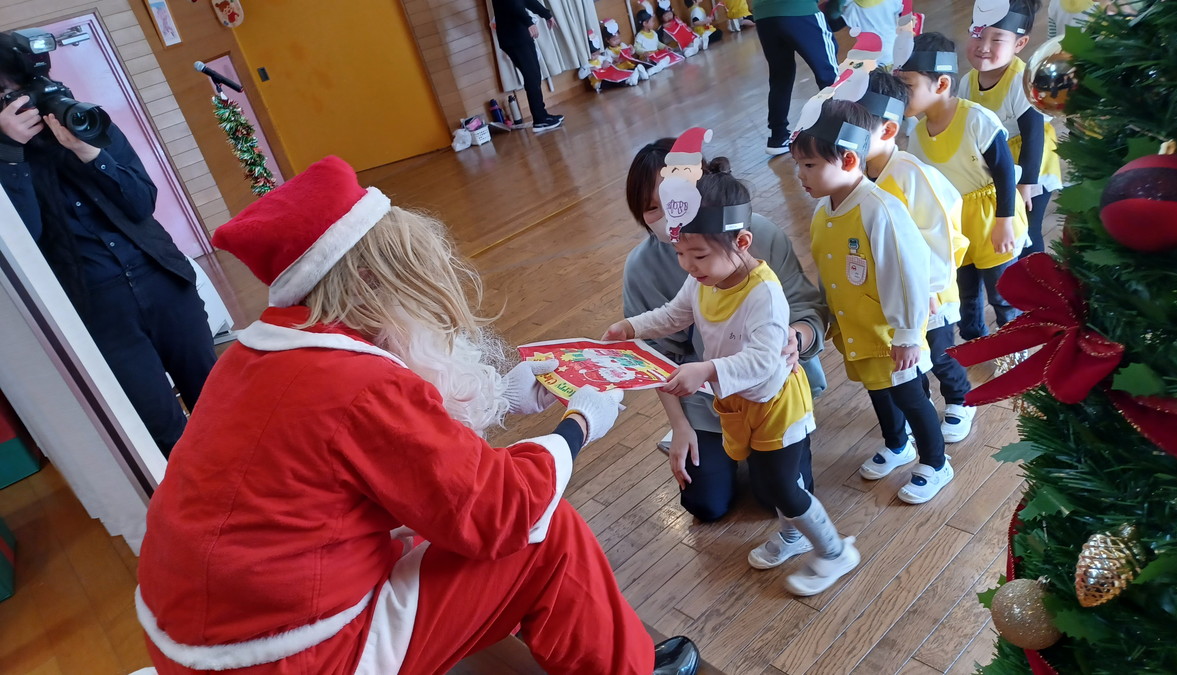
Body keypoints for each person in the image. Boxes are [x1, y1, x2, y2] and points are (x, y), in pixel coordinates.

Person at [135, 156, 702, 675]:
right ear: (370, 282)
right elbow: (500, 511)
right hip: (294, 656)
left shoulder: (254, 357)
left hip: (207, 640)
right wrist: (579, 424)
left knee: (457, 524)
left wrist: (502, 397)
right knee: (545, 533)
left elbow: (389, 461)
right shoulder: (357, 383)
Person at [606, 147, 858, 596]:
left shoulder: (763, 293)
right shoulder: (702, 276)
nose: (688, 266)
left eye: (698, 256)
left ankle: (834, 551)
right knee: (765, 480)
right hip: (737, 402)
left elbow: (764, 360)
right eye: (680, 254)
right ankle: (794, 535)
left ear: (741, 243)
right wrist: (631, 327)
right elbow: (672, 315)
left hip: (776, 405)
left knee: (782, 486)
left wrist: (705, 369)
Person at [0, 31, 215, 457]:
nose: (24, 101)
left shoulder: (83, 119)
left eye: (25, 88)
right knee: (161, 427)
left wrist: (91, 153)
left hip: (163, 281)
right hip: (97, 308)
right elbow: (23, 242)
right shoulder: (4, 157)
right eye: (8, 94)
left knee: (217, 401)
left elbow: (142, 202)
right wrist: (10, 154)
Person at [622, 135, 828, 523]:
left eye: (673, 201)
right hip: (707, 397)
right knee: (705, 504)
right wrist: (679, 425)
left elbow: (807, 308)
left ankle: (825, 539)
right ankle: (730, 444)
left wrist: (796, 336)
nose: (668, 218)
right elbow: (663, 335)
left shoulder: (755, 240)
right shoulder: (647, 268)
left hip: (770, 393)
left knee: (778, 498)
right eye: (652, 208)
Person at [792, 99, 954, 504]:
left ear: (848, 160)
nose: (800, 175)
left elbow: (907, 275)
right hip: (857, 330)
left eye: (809, 165)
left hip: (890, 335)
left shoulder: (880, 209)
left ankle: (936, 462)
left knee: (910, 397)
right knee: (877, 391)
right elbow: (828, 272)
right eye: (798, 164)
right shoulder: (824, 211)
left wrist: (907, 334)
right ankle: (897, 444)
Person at [859, 70, 976, 443]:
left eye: (857, 128)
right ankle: (919, 409)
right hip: (893, 291)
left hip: (929, 292)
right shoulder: (856, 175)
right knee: (907, 360)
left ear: (888, 130)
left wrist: (928, 288)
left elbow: (941, 237)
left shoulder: (910, 174)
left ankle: (961, 398)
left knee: (938, 352)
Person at [895, 32, 1027, 347]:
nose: (899, 96)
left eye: (907, 86)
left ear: (941, 84)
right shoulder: (917, 135)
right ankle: (975, 343)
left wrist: (1004, 221)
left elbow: (1005, 172)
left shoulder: (976, 120)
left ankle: (1017, 348)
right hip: (954, 224)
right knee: (966, 290)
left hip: (991, 219)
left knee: (1002, 292)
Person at [960, 0, 1061, 257]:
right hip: (1002, 163)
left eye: (997, 39)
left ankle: (1036, 274)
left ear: (1019, 44)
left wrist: (1026, 184)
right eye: (978, 34)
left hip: (1033, 166)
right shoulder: (966, 82)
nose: (984, 46)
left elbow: (1033, 136)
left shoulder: (1020, 81)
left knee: (1028, 229)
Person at [754, 0, 840, 156]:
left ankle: (778, 136)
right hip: (799, 8)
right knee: (830, 74)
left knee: (780, 76)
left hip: (763, 14)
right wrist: (835, 9)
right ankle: (841, 130)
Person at [491, 0, 564, 132]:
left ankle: (542, 115)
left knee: (534, 74)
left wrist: (546, 14)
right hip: (513, 37)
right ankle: (539, 120)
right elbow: (512, 3)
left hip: (520, 34)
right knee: (531, 76)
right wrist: (529, 22)